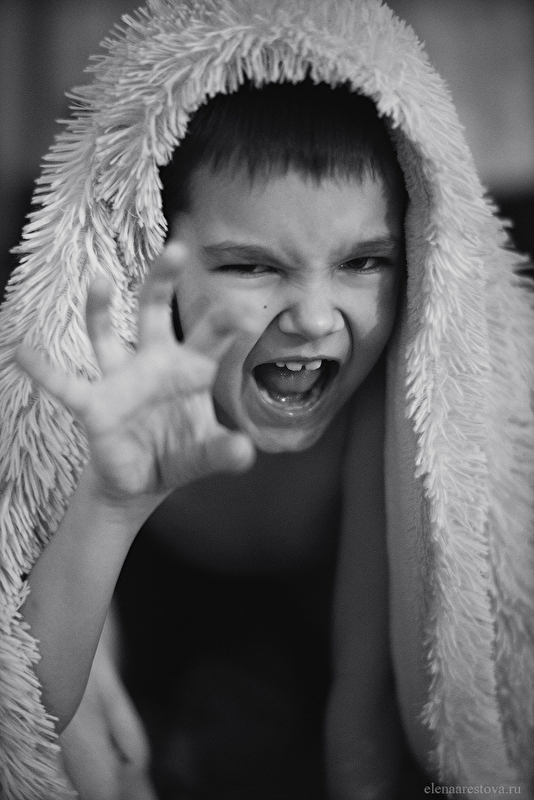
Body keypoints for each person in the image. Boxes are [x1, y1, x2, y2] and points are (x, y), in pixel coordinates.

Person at [0, 1, 532, 799]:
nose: (315, 318)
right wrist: (110, 506)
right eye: (251, 267)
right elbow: (25, 725)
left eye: (365, 261)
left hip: (312, 614)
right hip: (158, 602)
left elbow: (365, 709)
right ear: (149, 258)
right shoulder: (91, 391)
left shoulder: (395, 419)